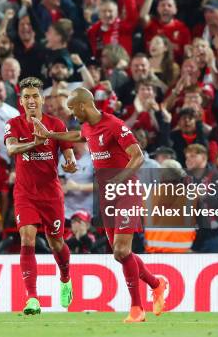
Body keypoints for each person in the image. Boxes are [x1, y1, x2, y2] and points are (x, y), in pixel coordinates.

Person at [32, 87, 167, 323]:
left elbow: (138, 156)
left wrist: (119, 179)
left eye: (73, 109)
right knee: (120, 254)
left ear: (83, 106)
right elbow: (78, 136)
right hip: (106, 195)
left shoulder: (114, 124)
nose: (73, 115)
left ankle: (137, 309)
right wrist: (50, 135)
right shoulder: (88, 126)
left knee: (122, 250)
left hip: (126, 190)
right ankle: (156, 284)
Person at [3, 77, 76, 315]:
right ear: (21, 101)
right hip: (25, 193)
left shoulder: (57, 124)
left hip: (51, 194)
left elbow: (69, 157)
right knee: (27, 238)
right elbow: (12, 149)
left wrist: (71, 164)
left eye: (35, 96)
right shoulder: (13, 124)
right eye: (27, 97)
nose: (31, 100)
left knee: (56, 242)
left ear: (42, 99)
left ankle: (65, 279)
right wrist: (35, 143)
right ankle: (32, 298)